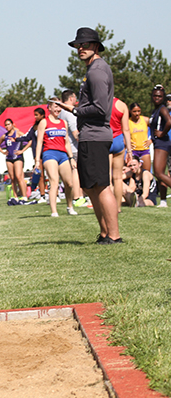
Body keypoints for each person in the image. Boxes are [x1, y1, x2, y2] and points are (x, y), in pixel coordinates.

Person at [61, 27, 121, 244]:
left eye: (85, 44)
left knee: (101, 185)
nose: (80, 48)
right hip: (91, 135)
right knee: (91, 186)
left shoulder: (96, 71)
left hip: (95, 135)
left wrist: (73, 110)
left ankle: (113, 234)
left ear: (96, 46)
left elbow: (101, 109)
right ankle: (105, 232)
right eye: (78, 45)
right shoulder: (95, 69)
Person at [34, 100, 77, 217]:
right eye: (55, 107)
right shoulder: (44, 122)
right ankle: (54, 211)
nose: (58, 109)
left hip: (63, 155)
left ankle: (70, 206)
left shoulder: (64, 122)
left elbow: (67, 142)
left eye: (60, 107)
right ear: (49, 108)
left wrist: (71, 158)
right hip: (49, 154)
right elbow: (39, 143)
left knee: (69, 183)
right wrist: (37, 161)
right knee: (54, 182)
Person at [58, 90, 85, 207]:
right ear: (71, 98)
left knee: (73, 172)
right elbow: (75, 133)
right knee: (76, 171)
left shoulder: (60, 113)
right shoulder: (70, 113)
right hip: (74, 148)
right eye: (75, 97)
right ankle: (78, 197)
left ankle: (76, 197)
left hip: (66, 148)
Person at [17, 108, 47, 202]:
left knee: (51, 174)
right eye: (34, 115)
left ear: (42, 115)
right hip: (37, 153)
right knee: (40, 174)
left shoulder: (47, 124)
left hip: (48, 150)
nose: (35, 117)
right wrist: (16, 139)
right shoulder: (34, 127)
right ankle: (42, 195)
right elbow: (27, 137)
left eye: (37, 115)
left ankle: (56, 194)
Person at [149, 85, 171, 208]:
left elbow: (169, 121)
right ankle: (163, 201)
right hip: (158, 142)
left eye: (160, 96)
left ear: (163, 98)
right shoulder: (155, 110)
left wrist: (162, 133)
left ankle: (163, 199)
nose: (157, 98)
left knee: (158, 172)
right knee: (160, 173)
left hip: (163, 142)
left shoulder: (163, 109)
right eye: (155, 95)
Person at [109, 97, 132, 212]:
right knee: (118, 178)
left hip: (106, 140)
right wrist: (129, 150)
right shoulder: (122, 105)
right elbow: (126, 129)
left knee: (107, 178)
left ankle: (108, 207)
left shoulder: (101, 102)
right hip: (119, 141)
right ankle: (118, 207)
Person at [0, 118, 28, 199]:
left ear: (12, 124)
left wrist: (22, 150)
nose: (7, 126)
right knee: (12, 178)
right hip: (9, 158)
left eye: (8, 124)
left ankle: (24, 196)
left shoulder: (18, 133)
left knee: (19, 177)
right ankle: (15, 196)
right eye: (5, 125)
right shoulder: (4, 136)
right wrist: (3, 152)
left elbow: (29, 140)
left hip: (18, 157)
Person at [127, 102, 152, 174]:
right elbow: (122, 133)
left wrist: (151, 140)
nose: (137, 113)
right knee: (133, 173)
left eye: (139, 111)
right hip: (133, 151)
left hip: (144, 150)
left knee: (146, 173)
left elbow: (156, 129)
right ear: (130, 111)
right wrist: (126, 143)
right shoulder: (127, 122)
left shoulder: (146, 120)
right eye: (134, 111)